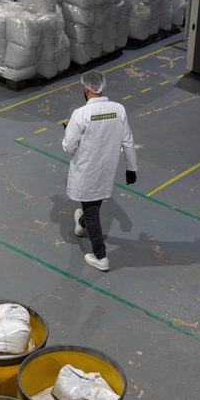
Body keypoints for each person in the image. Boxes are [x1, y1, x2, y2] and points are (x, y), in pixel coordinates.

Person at [62, 70, 137, 272]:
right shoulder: (118, 109)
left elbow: (68, 147)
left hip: (87, 170)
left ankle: (100, 256)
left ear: (86, 88)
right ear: (101, 87)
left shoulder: (81, 114)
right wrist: (132, 168)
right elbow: (128, 142)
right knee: (92, 204)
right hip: (106, 168)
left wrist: (67, 133)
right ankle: (81, 223)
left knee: (92, 211)